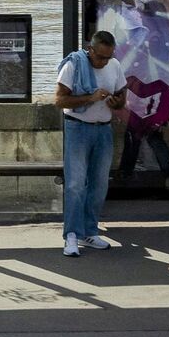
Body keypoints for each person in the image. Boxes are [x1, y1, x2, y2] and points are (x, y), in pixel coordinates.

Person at [54, 30, 126, 257]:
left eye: (109, 56)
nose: (105, 61)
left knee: (99, 184)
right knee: (75, 184)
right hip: (77, 127)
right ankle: (72, 235)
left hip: (103, 129)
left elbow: (122, 96)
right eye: (101, 57)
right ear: (91, 50)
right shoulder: (74, 65)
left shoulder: (114, 65)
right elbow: (59, 100)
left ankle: (89, 231)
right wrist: (90, 97)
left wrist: (116, 102)